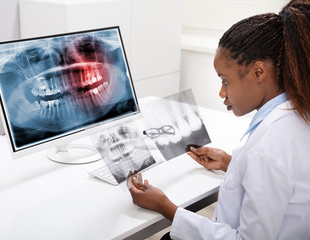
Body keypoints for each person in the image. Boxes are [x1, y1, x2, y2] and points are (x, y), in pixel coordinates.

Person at [128, 0, 310, 239]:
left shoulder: (268, 147)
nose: (222, 93)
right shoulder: (297, 112)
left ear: (258, 72)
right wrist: (229, 163)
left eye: (225, 81)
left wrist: (165, 206)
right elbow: (284, 182)